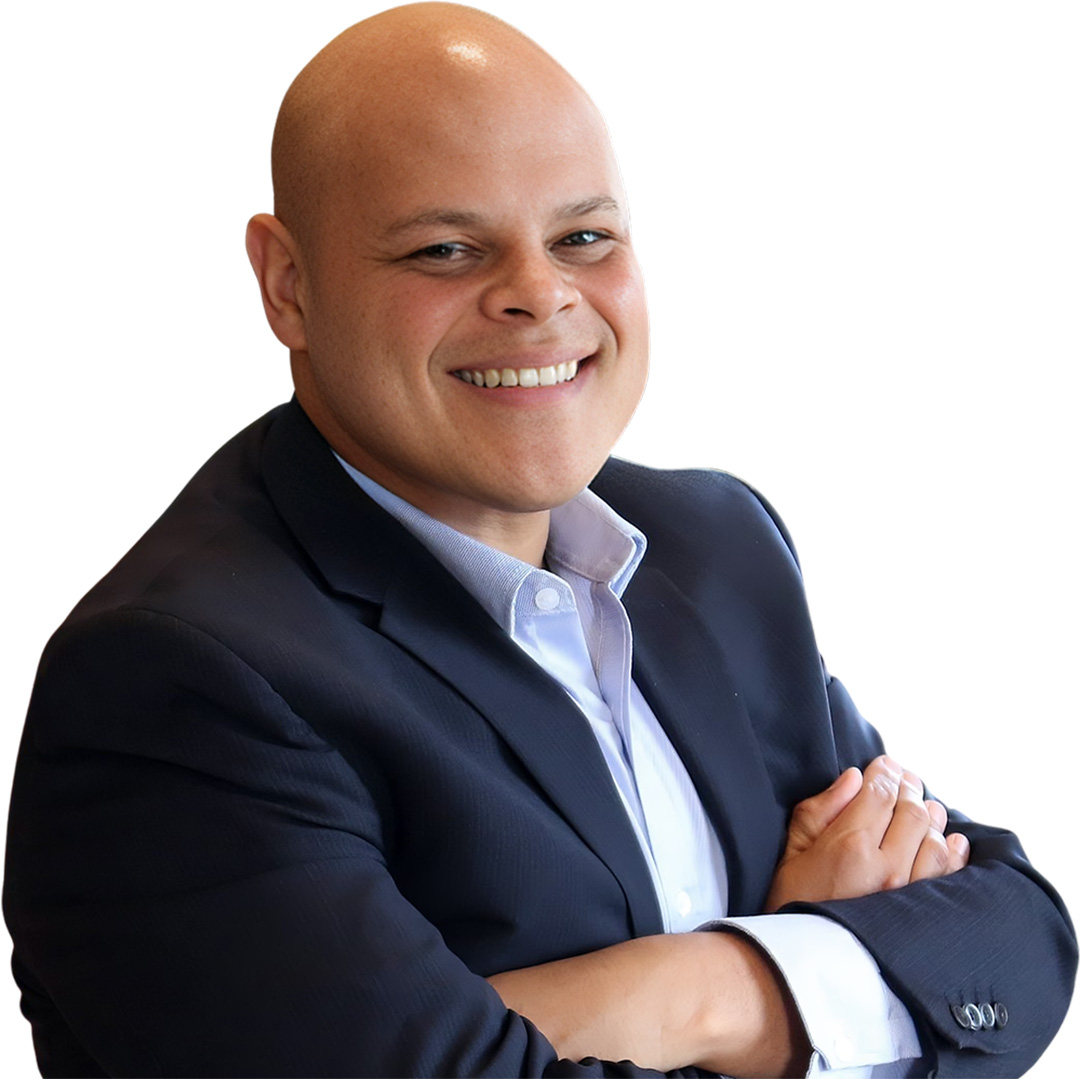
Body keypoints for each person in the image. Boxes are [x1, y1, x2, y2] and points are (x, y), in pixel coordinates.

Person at [3, 3, 1074, 1076]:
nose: (538, 294)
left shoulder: (715, 544)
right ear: (289, 284)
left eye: (583, 237)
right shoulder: (176, 683)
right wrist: (817, 982)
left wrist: (704, 987)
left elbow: (1013, 936)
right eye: (445, 248)